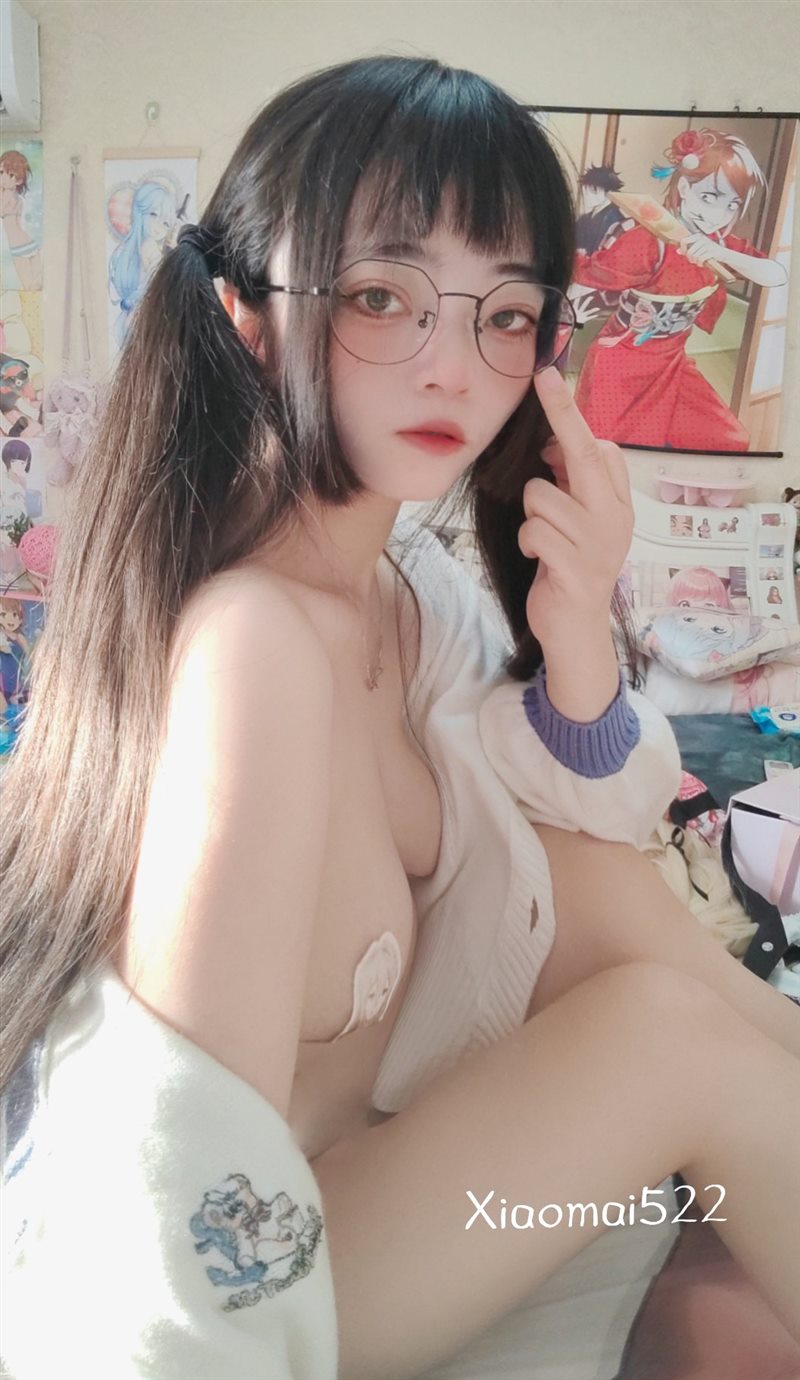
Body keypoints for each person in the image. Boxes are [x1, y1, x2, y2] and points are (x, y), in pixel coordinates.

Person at [1, 56, 799, 1380]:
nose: (453, 368)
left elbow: (597, 832)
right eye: (383, 296)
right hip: (262, 1282)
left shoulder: (406, 594)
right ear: (247, 315)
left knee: (611, 910)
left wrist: (579, 624)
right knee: (665, 1037)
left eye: (505, 314)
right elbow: (180, 1173)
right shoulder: (254, 646)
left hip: (394, 1175)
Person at [569, 127, 786, 452]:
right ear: (684, 187)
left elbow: (776, 274)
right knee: (616, 451)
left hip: (673, 361)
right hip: (623, 362)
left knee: (729, 440)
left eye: (732, 204)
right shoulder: (648, 241)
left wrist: (721, 254)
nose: (718, 214)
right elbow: (591, 273)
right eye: (709, 197)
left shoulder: (721, 244)